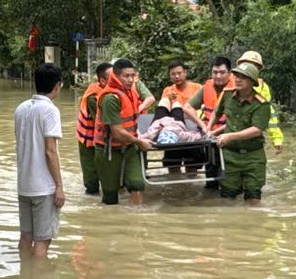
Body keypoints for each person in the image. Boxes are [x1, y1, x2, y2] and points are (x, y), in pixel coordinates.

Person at [14, 63, 65, 258]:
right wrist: (59, 186)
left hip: (24, 185)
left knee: (26, 238)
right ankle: (38, 276)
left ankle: (25, 272)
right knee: (43, 241)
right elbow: (50, 151)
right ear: (57, 86)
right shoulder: (50, 110)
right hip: (43, 188)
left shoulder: (21, 109)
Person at [205, 62, 270, 205]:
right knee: (227, 197)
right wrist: (209, 128)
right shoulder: (228, 95)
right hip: (230, 156)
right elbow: (217, 111)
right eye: (237, 76)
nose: (238, 79)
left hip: (253, 157)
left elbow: (257, 129)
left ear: (252, 81)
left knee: (254, 197)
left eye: (243, 77)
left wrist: (230, 136)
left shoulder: (261, 104)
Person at [94, 59, 153, 205]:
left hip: (130, 146)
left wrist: (137, 141)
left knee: (137, 184)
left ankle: (136, 216)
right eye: (126, 76)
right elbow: (117, 133)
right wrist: (140, 142)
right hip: (108, 150)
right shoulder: (110, 98)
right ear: (115, 76)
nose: (131, 79)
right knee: (110, 197)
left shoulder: (131, 92)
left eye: (133, 75)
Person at [182, 56, 234, 188]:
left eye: (222, 72)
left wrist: (214, 131)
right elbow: (187, 107)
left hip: (231, 137)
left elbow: (240, 120)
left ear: (230, 73)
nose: (218, 76)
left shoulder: (237, 88)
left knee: (231, 182)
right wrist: (203, 126)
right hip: (210, 138)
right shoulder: (207, 87)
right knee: (211, 180)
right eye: (215, 72)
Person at [236, 51, 284, 154]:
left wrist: (277, 139)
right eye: (246, 64)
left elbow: (269, 115)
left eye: (254, 66)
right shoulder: (232, 83)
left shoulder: (263, 88)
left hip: (251, 136)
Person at [160, 59, 202, 173]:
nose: (176, 76)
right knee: (173, 168)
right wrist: (168, 100)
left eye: (179, 73)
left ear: (185, 73)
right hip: (174, 133)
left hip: (193, 131)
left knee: (192, 168)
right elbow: (163, 112)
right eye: (173, 74)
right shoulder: (168, 91)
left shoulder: (197, 88)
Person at [76, 62, 112, 195]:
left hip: (100, 136)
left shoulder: (108, 92)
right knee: (91, 173)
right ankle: (91, 194)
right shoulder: (93, 97)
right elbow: (102, 121)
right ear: (102, 81)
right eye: (112, 78)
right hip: (87, 138)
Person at [139, 98, 204, 144]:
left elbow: (140, 137)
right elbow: (196, 136)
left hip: (160, 120)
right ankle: (173, 101)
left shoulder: (153, 134)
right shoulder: (181, 136)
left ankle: (169, 100)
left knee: (165, 100)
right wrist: (203, 129)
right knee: (176, 104)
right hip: (176, 122)